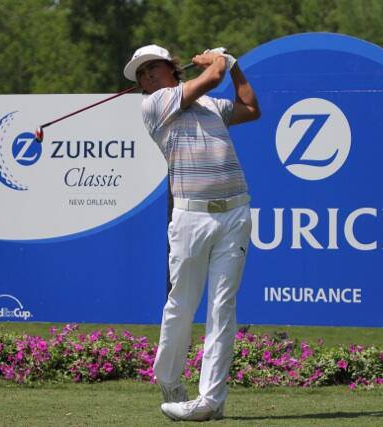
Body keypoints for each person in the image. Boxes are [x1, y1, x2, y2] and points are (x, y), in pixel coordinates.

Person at [124, 44, 260, 421]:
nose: (148, 77)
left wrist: (234, 66)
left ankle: (210, 400)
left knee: (222, 307)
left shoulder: (211, 106)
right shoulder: (155, 104)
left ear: (172, 68)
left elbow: (251, 109)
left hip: (235, 212)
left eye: (153, 68)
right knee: (181, 305)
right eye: (142, 75)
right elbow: (212, 76)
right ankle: (169, 380)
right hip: (191, 218)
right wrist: (216, 61)